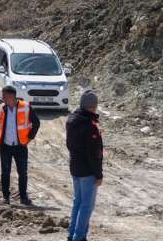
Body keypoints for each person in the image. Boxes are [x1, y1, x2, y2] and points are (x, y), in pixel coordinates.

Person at [0, 85, 40, 206]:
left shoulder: (26, 107)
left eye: (4, 96)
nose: (3, 98)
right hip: (5, 146)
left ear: (11, 96)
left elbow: (37, 122)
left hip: (20, 146)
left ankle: (23, 197)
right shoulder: (2, 108)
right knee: (5, 172)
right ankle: (6, 197)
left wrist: (29, 138)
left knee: (22, 172)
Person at [66, 90, 103, 241]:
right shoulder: (89, 125)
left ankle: (72, 234)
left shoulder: (72, 120)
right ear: (93, 106)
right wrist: (98, 174)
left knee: (78, 202)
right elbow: (94, 154)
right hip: (87, 171)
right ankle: (79, 237)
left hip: (75, 167)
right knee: (86, 206)